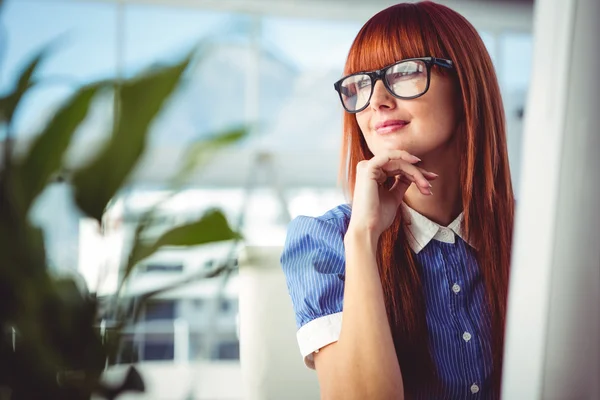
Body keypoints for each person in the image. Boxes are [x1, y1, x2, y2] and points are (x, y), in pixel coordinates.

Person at [280, 1, 515, 399]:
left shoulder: (535, 235)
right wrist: (363, 237)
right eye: (361, 84)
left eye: (405, 73)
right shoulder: (323, 241)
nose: (377, 100)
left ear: (466, 85)